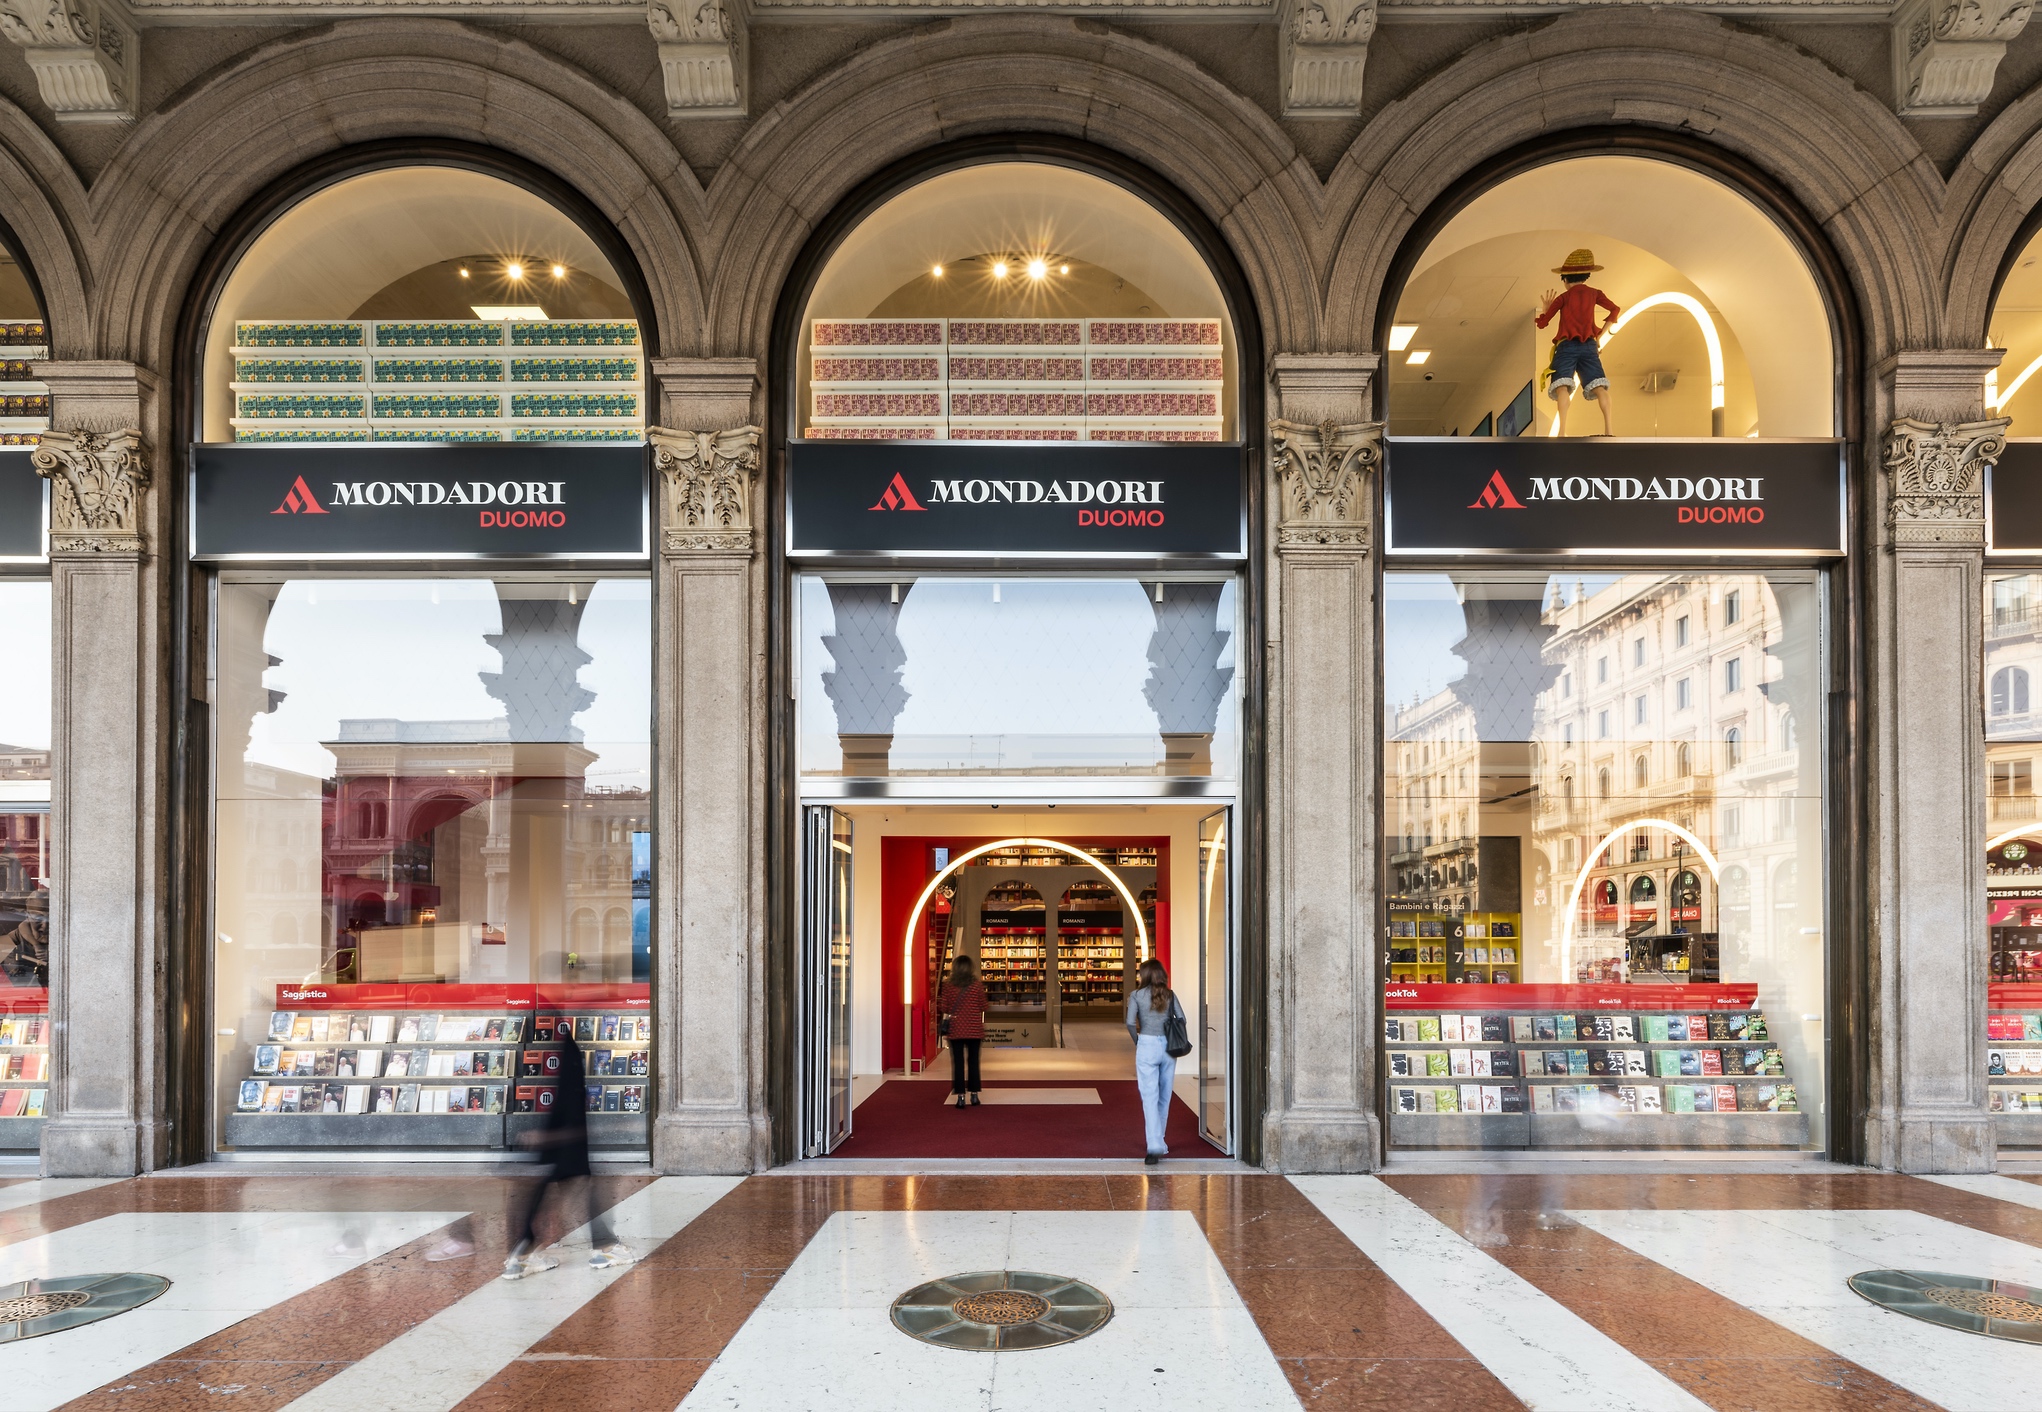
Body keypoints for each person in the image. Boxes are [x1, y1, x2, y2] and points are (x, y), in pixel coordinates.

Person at [501, 1025, 637, 1279]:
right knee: (578, 1177)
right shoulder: (564, 1033)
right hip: (562, 1125)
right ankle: (604, 1247)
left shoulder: (554, 1029)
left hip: (555, 1123)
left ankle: (523, 1253)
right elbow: (569, 1097)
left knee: (564, 1178)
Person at [1534, 248, 1621, 437]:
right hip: (1589, 346)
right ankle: (1609, 430)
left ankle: (1562, 431)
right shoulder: (1595, 293)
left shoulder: (1563, 297)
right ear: (1587, 275)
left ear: (1565, 279)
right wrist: (1599, 335)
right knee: (1599, 386)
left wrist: (1545, 310)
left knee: (1562, 386)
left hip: (1566, 346)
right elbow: (1615, 309)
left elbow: (1542, 323)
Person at [1125, 957, 1185, 1164]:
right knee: (1164, 1097)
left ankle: (1154, 1144)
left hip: (1147, 1044)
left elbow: (1130, 1022)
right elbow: (1182, 1018)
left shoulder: (1136, 995)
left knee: (1149, 1097)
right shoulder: (1170, 994)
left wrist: (1138, 1041)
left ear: (1144, 975)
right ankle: (1161, 1141)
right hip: (1168, 1047)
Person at [937, 953, 986, 1108]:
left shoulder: (948, 985)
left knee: (957, 1063)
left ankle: (960, 1097)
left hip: (956, 1030)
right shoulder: (977, 985)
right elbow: (984, 1006)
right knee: (973, 1062)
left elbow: (944, 1007)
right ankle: (974, 1095)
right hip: (974, 1030)